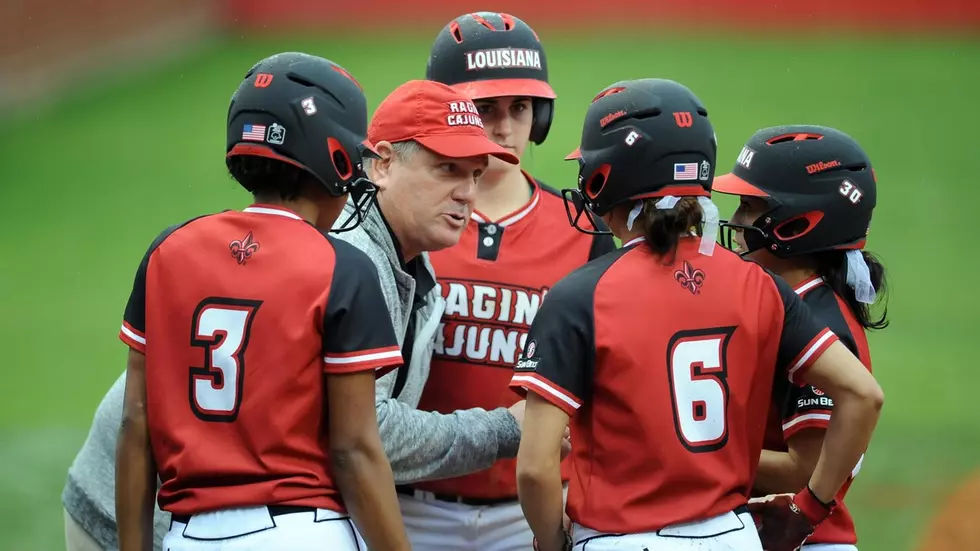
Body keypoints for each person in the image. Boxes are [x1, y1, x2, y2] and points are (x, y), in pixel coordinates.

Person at [61, 78, 530, 550]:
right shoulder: (341, 253)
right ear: (382, 164)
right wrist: (503, 429)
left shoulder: (404, 256)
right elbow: (366, 439)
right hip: (141, 508)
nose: (467, 193)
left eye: (474, 174)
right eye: (447, 169)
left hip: (196, 514)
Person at [507, 78, 885, 551]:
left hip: (621, 539)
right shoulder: (760, 285)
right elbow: (863, 395)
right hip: (734, 536)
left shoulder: (580, 293)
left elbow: (535, 466)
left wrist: (551, 541)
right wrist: (809, 508)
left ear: (608, 176)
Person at [113, 52, 410, 551]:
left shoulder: (169, 251)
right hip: (304, 532)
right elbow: (353, 451)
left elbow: (133, 425)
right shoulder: (342, 268)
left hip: (190, 537)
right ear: (332, 154)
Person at [395, 12, 616, 551]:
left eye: (520, 108)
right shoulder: (407, 218)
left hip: (533, 509)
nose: (503, 127)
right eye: (483, 108)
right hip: (411, 505)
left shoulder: (584, 228)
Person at [712, 125, 889, 551]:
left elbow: (805, 468)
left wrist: (694, 454)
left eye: (750, 207)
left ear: (798, 223)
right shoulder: (790, 301)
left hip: (802, 541)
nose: (734, 221)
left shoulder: (815, 322)